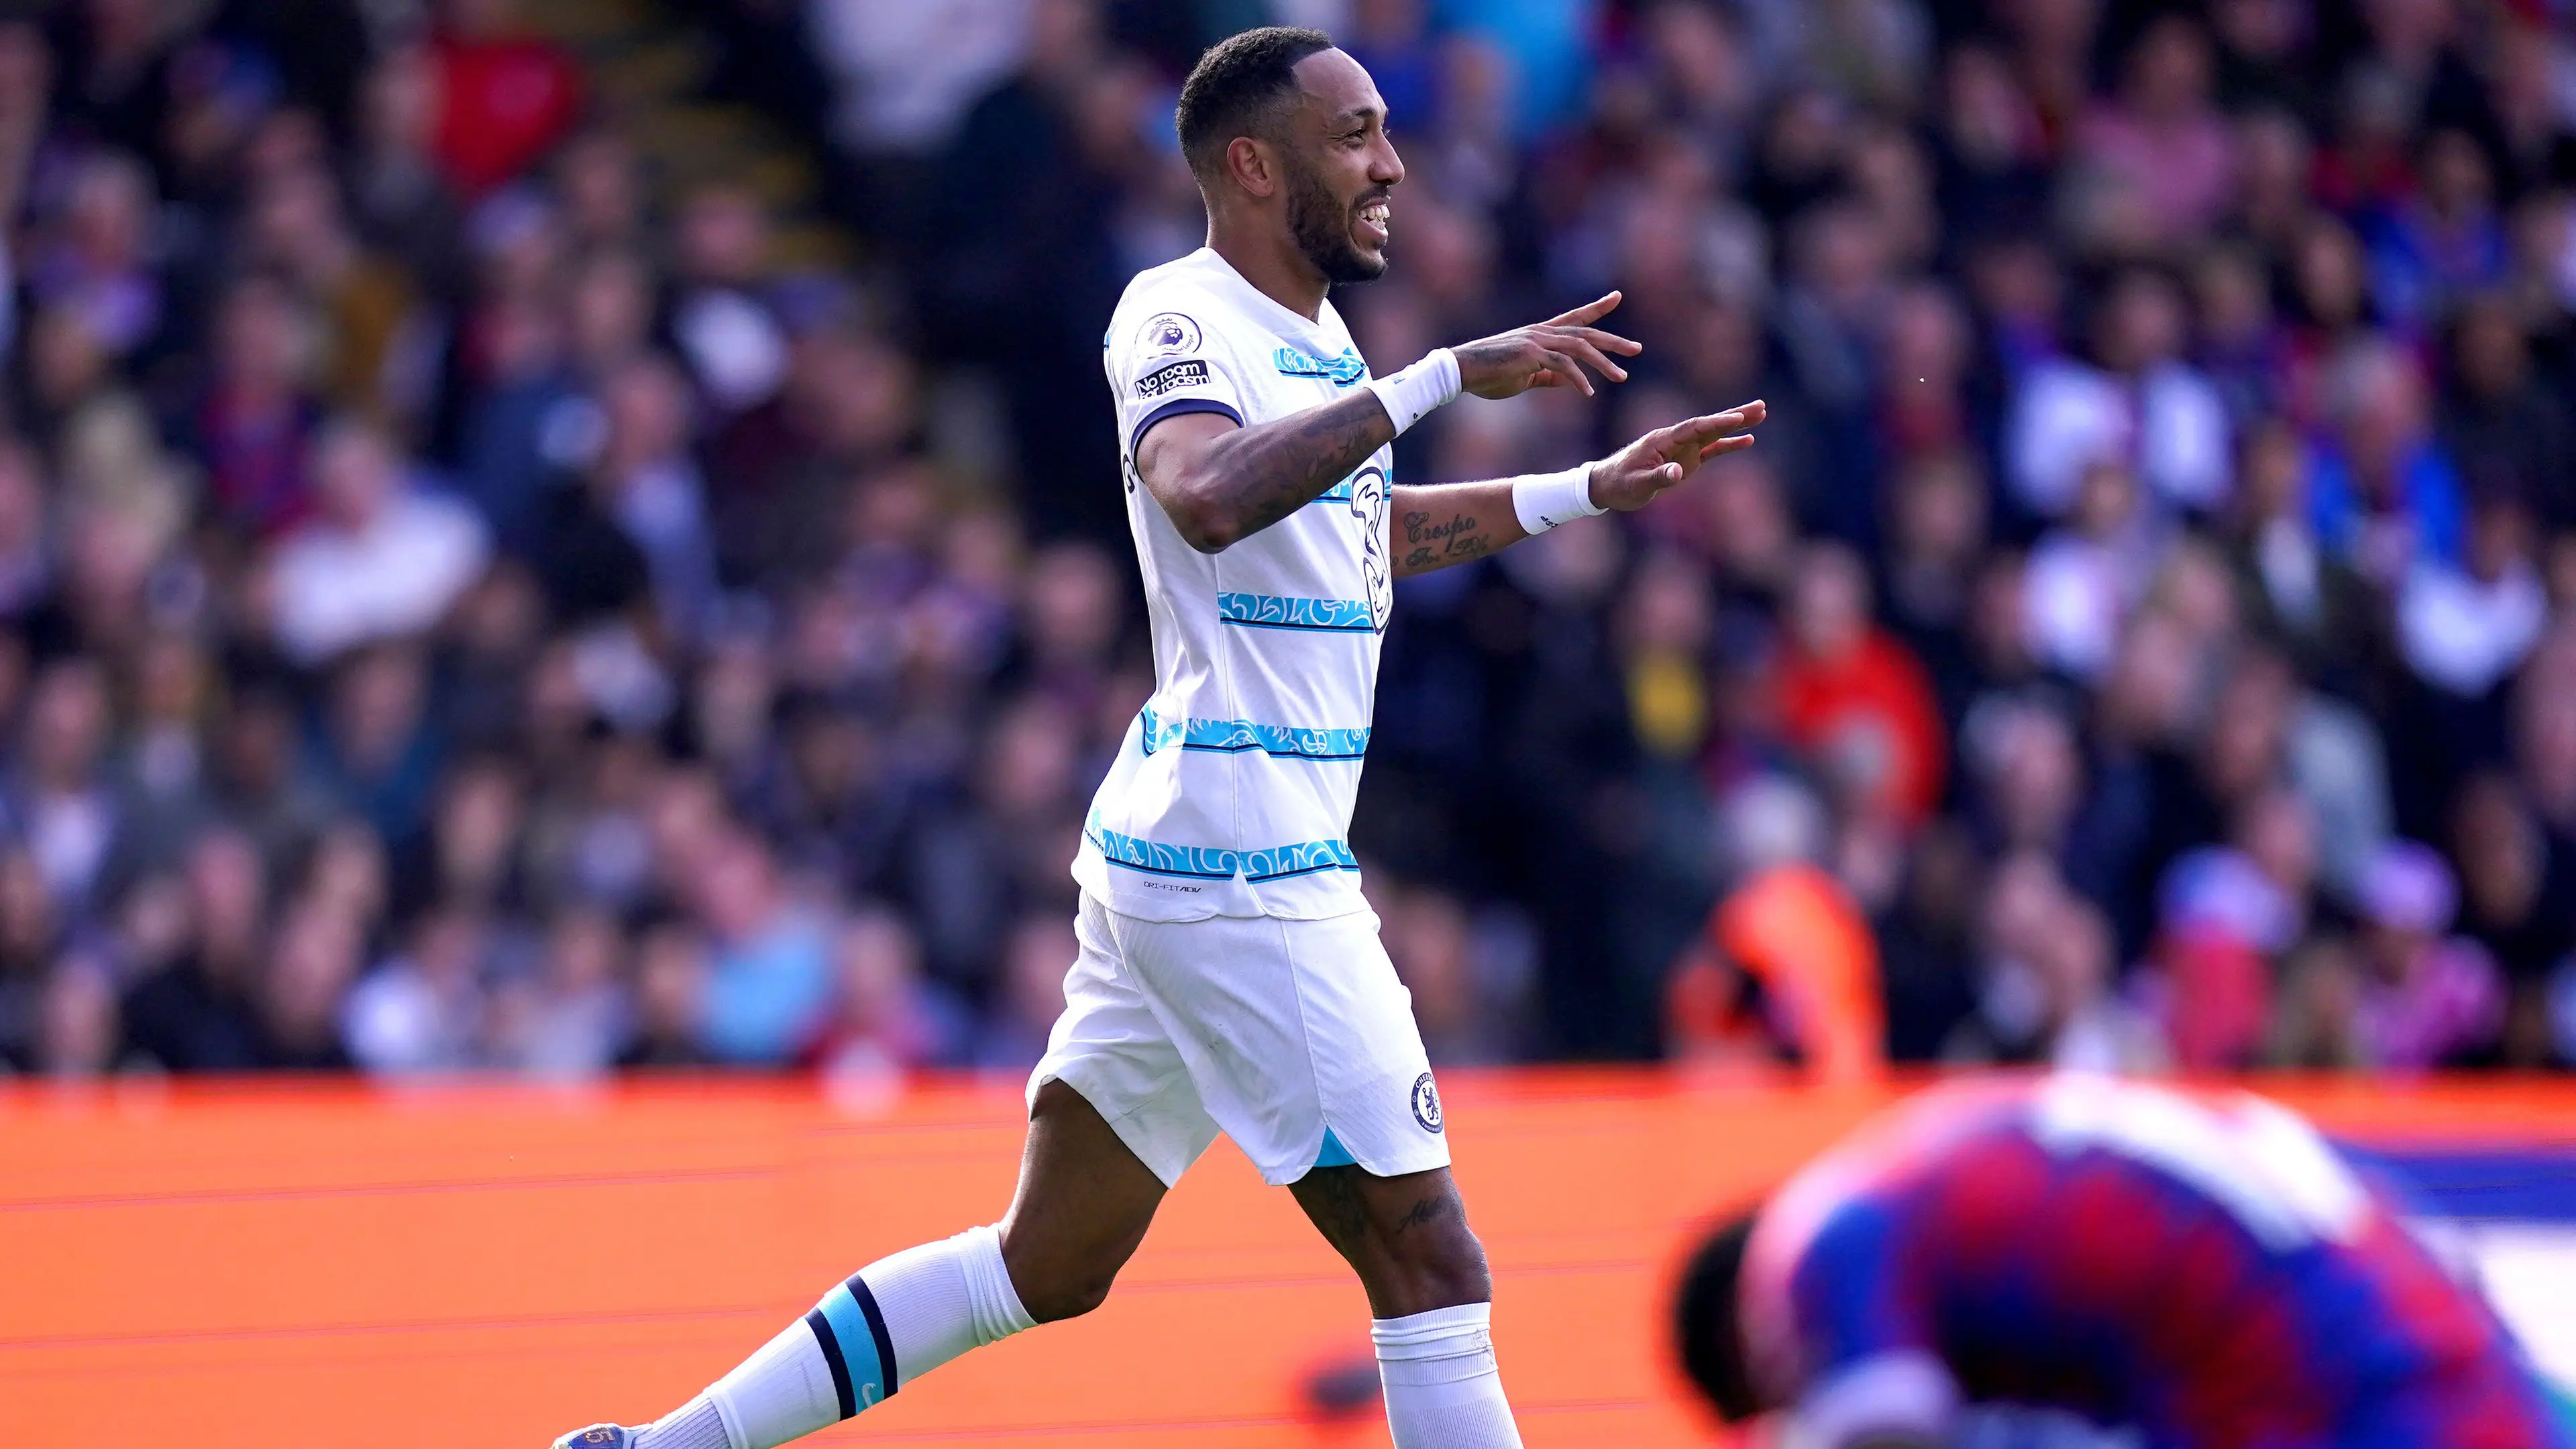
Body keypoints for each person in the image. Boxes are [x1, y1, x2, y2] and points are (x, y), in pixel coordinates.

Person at [554, 23, 1763, 1449]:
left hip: (1189, 854)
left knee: (1044, 1264)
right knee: (1429, 1259)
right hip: (1249, 866)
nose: (1392, 164)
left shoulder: (1321, 343)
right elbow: (1205, 493)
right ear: (1252, 165)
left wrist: (1580, 492)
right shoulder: (1176, 315)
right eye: (1357, 135)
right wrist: (1440, 377)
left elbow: (1352, 534)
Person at [1672, 1073, 2573, 1448]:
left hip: (2329, 1391)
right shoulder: (1939, 1150)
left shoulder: (1810, 1254)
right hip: (2452, 1347)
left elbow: (1885, 1439)